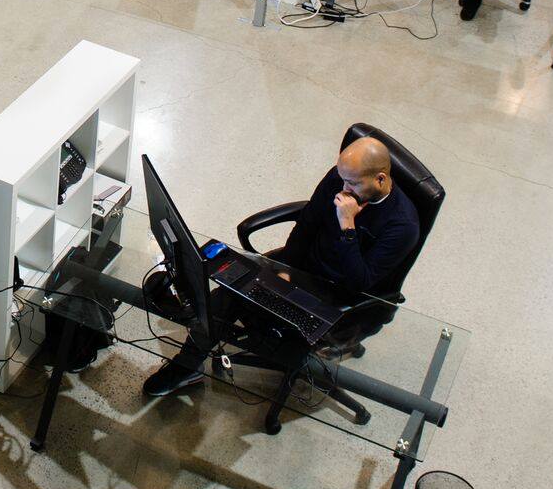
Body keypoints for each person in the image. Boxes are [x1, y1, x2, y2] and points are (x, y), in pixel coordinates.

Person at [143, 134, 421, 397]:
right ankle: (188, 366)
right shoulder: (342, 178)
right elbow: (307, 223)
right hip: (301, 265)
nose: (344, 189)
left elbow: (358, 282)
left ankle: (217, 342)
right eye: (342, 178)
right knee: (228, 293)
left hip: (337, 294)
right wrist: (286, 267)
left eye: (353, 184)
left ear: (381, 178)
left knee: (249, 314)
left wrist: (347, 225)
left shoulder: (402, 226)